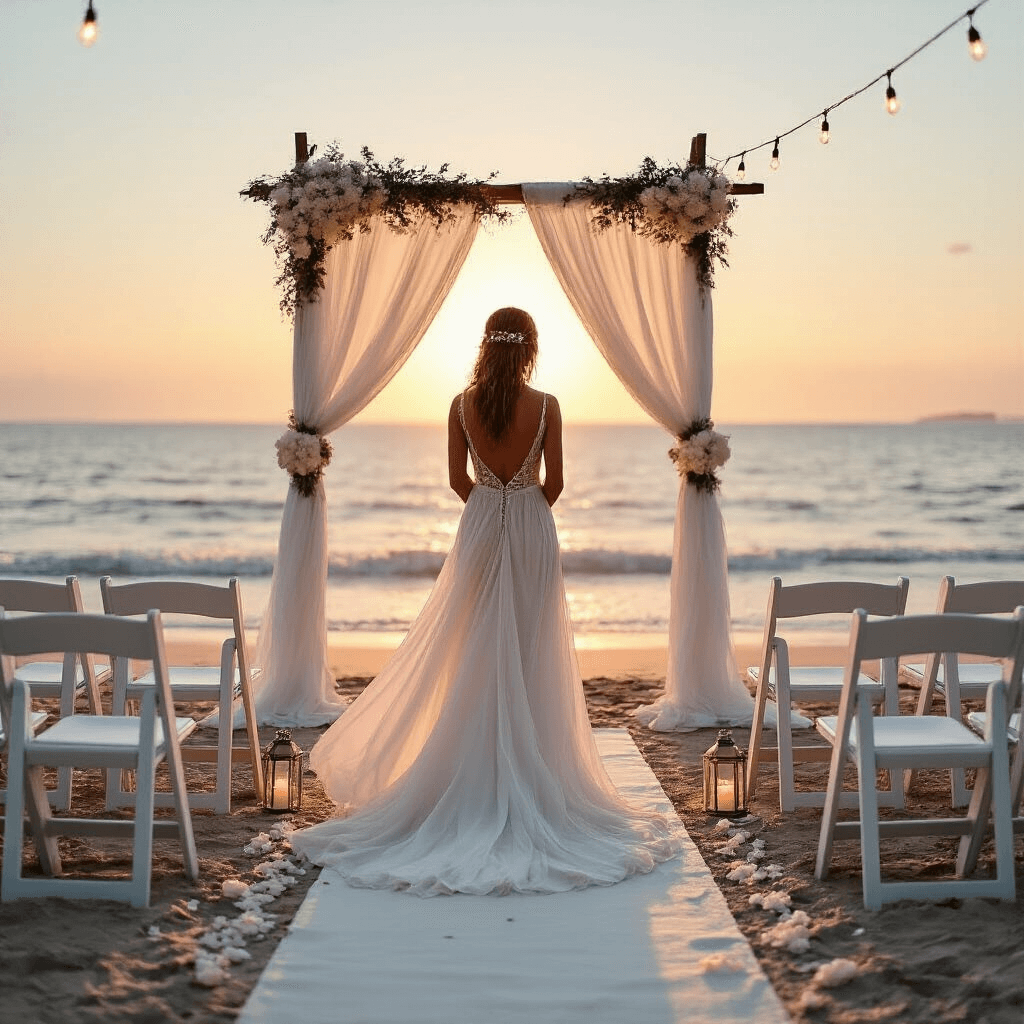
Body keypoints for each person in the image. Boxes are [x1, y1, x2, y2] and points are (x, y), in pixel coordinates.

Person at [290, 307, 681, 896]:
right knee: (530, 644)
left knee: (472, 644)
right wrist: (521, 506)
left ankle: (474, 766)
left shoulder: (459, 404)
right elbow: (557, 482)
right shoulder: (547, 404)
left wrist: (489, 507)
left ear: (485, 346)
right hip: (532, 524)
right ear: (529, 349)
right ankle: (530, 763)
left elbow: (456, 479)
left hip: (478, 525)